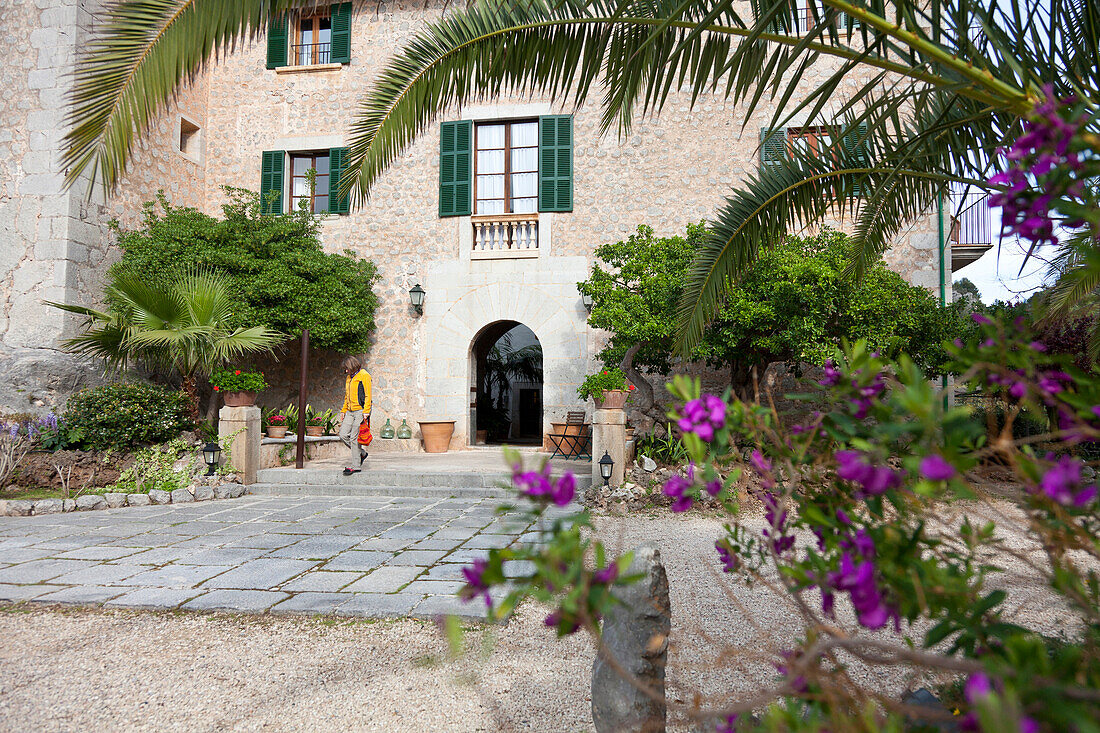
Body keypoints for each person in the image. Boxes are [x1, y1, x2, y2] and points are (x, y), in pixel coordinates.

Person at [338, 356, 371, 476]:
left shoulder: (364, 375)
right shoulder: (349, 377)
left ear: (352, 366)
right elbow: (347, 396)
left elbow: (368, 395)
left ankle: (356, 466)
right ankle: (362, 453)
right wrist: (343, 410)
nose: (346, 371)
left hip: (360, 411)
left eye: (347, 368)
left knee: (354, 438)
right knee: (342, 435)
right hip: (350, 411)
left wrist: (366, 411)